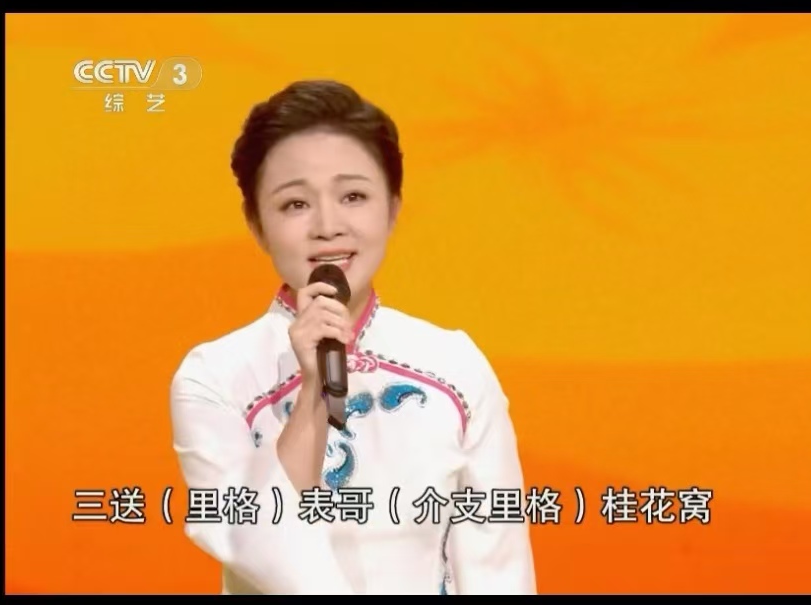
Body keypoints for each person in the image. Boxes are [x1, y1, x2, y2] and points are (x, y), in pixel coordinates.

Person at [169, 80, 536, 595]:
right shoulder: (214, 377)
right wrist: (313, 393)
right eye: (295, 204)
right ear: (256, 223)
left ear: (393, 206)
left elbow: (498, 567)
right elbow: (251, 537)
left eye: (353, 196)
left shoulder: (453, 365)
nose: (328, 226)